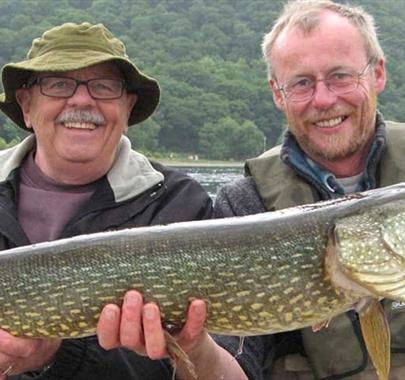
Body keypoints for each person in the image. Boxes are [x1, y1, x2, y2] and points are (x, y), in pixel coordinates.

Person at [0, 22, 249, 380]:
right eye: (58, 84)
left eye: (104, 86)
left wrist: (57, 352)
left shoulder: (179, 204)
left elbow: (224, 367)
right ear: (26, 105)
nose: (82, 100)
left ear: (127, 108)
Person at [214, 0, 405, 379]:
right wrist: (192, 346)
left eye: (340, 76)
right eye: (301, 83)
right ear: (277, 93)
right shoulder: (244, 203)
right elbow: (234, 365)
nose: (323, 99)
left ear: (378, 73)